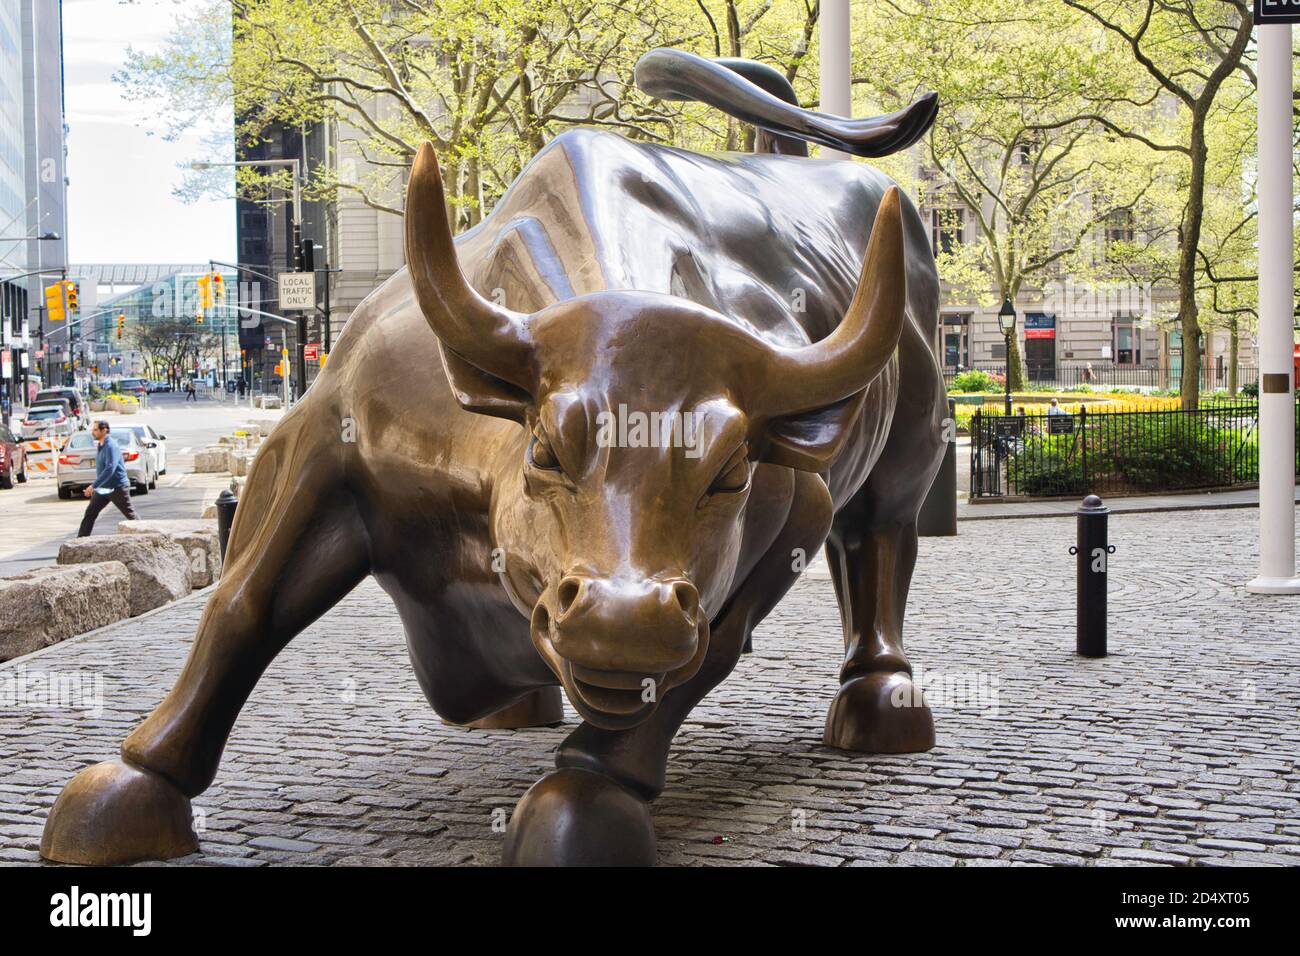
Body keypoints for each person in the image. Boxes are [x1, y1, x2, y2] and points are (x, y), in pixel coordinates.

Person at [78, 420, 138, 536]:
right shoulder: (101, 445)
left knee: (131, 516)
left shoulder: (111, 446)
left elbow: (110, 468)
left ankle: (149, 536)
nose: (93, 432)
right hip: (103, 489)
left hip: (117, 487)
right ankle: (79, 542)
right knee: (90, 513)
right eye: (93, 430)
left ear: (104, 430)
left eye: (95, 430)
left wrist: (93, 485)